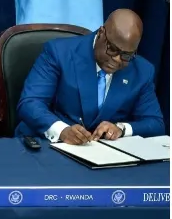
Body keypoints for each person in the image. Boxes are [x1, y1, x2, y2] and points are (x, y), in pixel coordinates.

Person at [16, 9, 165, 144]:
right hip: (50, 146)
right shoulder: (59, 52)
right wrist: (62, 131)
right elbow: (30, 103)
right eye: (113, 49)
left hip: (105, 156)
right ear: (101, 33)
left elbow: (155, 123)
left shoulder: (142, 71)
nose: (118, 59)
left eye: (127, 55)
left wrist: (121, 129)